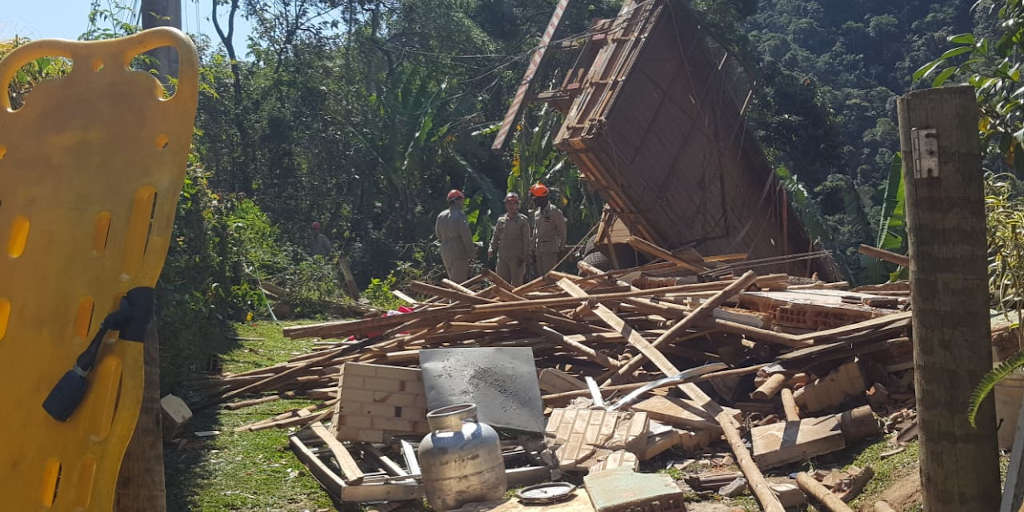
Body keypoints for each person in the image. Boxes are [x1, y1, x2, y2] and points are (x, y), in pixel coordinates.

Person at [488, 192, 531, 286]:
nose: (511, 206)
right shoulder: (501, 221)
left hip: (517, 258)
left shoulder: (522, 221)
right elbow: (495, 237)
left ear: (518, 205)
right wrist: (491, 248)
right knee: (501, 283)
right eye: (508, 203)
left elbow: (526, 240)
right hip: (503, 257)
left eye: (514, 203)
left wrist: (524, 256)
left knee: (516, 284)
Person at [435, 189, 475, 282]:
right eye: (462, 200)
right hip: (457, 250)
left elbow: (438, 234)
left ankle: (452, 296)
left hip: (445, 250)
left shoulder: (441, 215)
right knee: (459, 284)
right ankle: (454, 297)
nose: (463, 203)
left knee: (452, 279)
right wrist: (471, 253)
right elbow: (466, 236)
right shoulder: (460, 215)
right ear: (457, 200)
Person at [530, 183, 567, 274]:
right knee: (540, 278)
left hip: (550, 250)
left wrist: (561, 249)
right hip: (539, 250)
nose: (534, 201)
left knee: (550, 278)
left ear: (542, 198)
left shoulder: (554, 212)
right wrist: (532, 250)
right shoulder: (537, 213)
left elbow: (562, 232)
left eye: (535, 199)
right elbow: (535, 232)